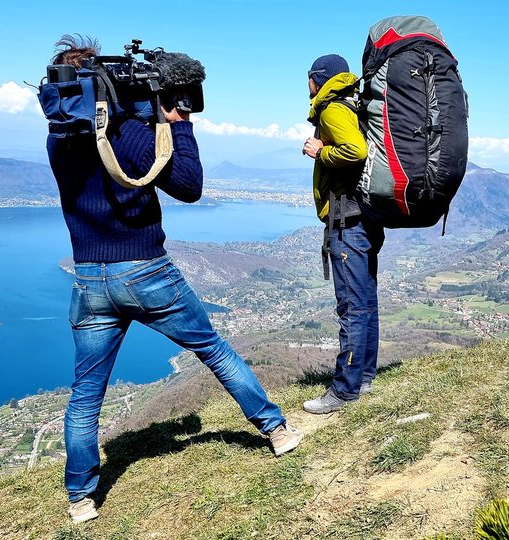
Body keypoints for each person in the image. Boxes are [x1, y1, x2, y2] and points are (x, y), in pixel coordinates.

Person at [45, 36, 303, 525]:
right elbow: (188, 185)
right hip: (145, 271)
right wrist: (178, 124)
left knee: (85, 393)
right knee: (213, 350)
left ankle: (81, 498)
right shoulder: (129, 134)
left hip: (88, 279)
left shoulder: (60, 138)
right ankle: (277, 431)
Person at [301, 54, 384, 415]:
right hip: (366, 217)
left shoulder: (333, 109)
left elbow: (355, 150)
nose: (306, 84)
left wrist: (321, 151)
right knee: (365, 301)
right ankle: (364, 376)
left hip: (348, 223)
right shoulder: (354, 103)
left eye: (308, 77)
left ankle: (344, 390)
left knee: (351, 306)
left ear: (318, 79)